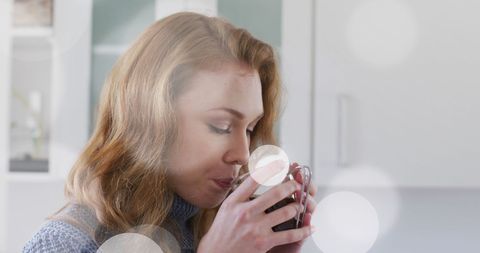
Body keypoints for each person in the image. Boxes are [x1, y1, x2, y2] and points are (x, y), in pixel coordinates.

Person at [23, 12, 317, 253]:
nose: (242, 154)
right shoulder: (62, 244)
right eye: (221, 126)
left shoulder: (202, 232)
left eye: (250, 129)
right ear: (151, 120)